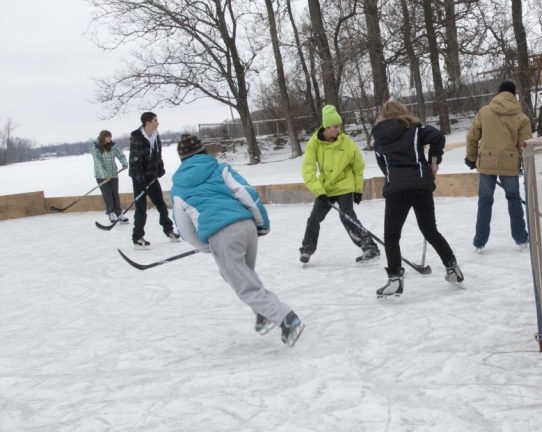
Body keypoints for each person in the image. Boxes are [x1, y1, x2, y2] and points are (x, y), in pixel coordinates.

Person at [171, 134, 304, 346]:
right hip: (246, 226)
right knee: (243, 275)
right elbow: (247, 193)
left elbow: (184, 227)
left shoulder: (178, 187)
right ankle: (264, 313)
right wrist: (261, 223)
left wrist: (204, 246)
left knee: (244, 285)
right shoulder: (220, 168)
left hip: (222, 235)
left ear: (182, 159)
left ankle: (285, 317)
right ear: (204, 152)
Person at [372, 100, 464, 299]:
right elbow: (438, 137)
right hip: (421, 185)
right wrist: (433, 160)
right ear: (402, 112)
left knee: (391, 236)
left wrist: (393, 177)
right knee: (430, 230)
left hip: (396, 189)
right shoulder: (415, 128)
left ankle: (395, 279)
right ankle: (452, 267)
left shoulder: (378, 137)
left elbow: (382, 164)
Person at [300, 105, 379, 264]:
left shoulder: (347, 143)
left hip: (345, 186)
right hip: (326, 189)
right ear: (327, 127)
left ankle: (369, 247)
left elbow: (358, 167)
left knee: (347, 216)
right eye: (335, 126)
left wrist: (357, 189)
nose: (339, 129)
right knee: (314, 218)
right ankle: (307, 249)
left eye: (340, 126)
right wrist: (319, 191)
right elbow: (307, 170)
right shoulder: (314, 143)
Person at [465, 80, 531, 252]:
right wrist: (527, 164)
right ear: (513, 95)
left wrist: (471, 158)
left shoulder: (485, 112)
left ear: (498, 93)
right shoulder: (521, 117)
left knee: (485, 201)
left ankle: (480, 241)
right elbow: (525, 145)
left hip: (487, 163)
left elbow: (472, 136)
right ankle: (521, 238)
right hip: (510, 164)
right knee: (514, 199)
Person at [128, 112, 180, 250]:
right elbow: (134, 159)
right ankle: (137, 238)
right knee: (141, 209)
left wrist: (160, 167)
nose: (158, 122)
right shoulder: (137, 137)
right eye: (155, 120)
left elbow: (158, 154)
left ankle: (169, 230)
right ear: (148, 122)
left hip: (152, 177)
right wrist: (139, 178)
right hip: (139, 178)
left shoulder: (156, 135)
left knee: (161, 206)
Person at [91, 129, 129, 224]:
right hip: (101, 176)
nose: (110, 138)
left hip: (113, 174)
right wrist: (104, 175)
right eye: (108, 137)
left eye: (110, 137)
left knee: (115, 194)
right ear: (103, 137)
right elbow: (97, 162)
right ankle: (111, 213)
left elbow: (121, 155)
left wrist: (124, 163)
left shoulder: (113, 146)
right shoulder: (95, 147)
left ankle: (119, 214)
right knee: (108, 195)